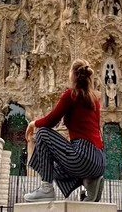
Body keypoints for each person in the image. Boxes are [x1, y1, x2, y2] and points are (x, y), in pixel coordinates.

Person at [24, 59, 105, 203]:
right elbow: (97, 130)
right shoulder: (95, 100)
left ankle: (46, 189)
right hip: (99, 160)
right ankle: (90, 182)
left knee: (42, 132)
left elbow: (50, 121)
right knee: (51, 168)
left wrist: (33, 123)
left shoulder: (71, 95)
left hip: (83, 155)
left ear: (73, 74)